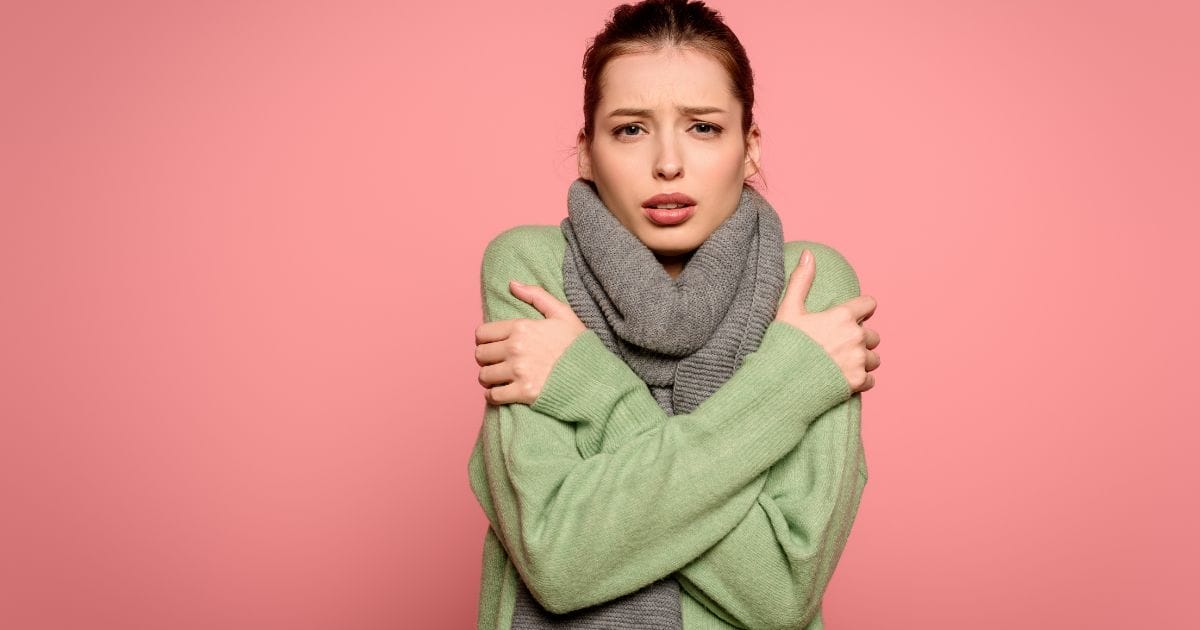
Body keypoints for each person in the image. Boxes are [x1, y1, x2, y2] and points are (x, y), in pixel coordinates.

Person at [467, 0, 881, 628]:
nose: (667, 163)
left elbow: (780, 592)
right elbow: (556, 560)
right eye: (631, 129)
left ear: (750, 148)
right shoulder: (532, 268)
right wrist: (789, 386)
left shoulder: (808, 284)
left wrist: (590, 388)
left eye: (703, 128)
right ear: (586, 151)